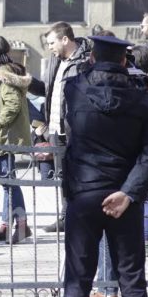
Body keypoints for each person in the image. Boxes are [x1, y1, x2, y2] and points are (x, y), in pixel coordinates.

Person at [60, 35, 148, 297]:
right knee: (132, 280)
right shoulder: (142, 99)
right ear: (125, 61)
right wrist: (129, 192)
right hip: (124, 197)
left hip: (84, 193)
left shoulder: (74, 89)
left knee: (77, 282)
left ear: (92, 57)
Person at [27, 22, 91, 233]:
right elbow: (48, 90)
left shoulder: (85, 60)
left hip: (76, 129)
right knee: (63, 178)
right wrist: (27, 82)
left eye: (52, 42)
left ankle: (82, 216)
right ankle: (66, 216)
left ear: (65, 39)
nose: (50, 47)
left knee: (80, 175)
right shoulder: (56, 61)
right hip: (55, 128)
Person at [0, 36, 33, 244]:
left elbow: (12, 105)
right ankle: (6, 224)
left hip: (4, 137)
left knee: (9, 183)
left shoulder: (2, 75)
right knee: (7, 183)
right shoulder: (2, 73)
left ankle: (21, 225)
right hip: (2, 136)